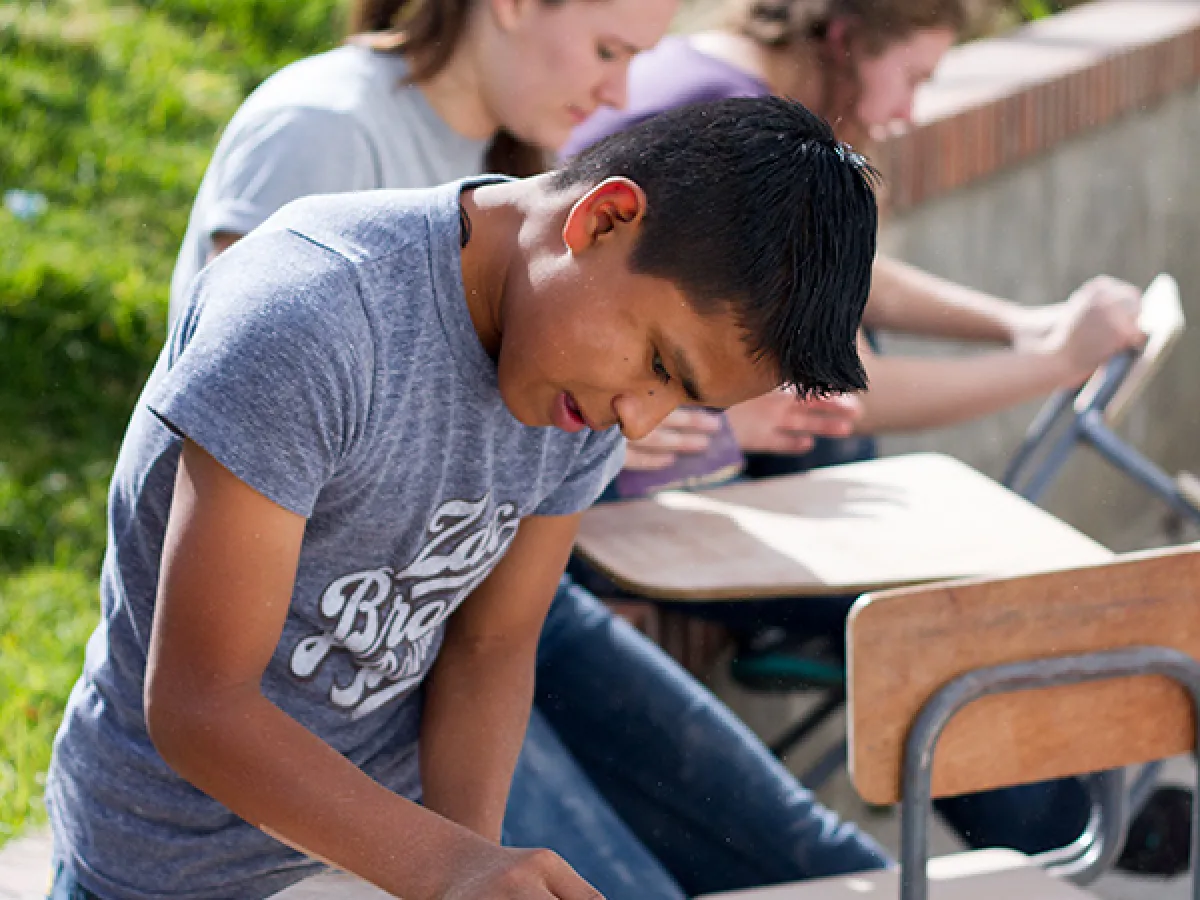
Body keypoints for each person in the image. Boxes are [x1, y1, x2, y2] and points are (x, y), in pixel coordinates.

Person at [45, 98, 882, 900]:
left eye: (684, 401)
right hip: (165, 866)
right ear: (601, 220)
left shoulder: (581, 380)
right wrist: (445, 869)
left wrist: (474, 862)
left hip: (374, 849)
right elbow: (200, 706)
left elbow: (492, 647)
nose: (639, 418)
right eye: (662, 364)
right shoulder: (313, 316)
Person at [559, 0, 1145, 866]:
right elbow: (830, 390)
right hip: (611, 510)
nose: (908, 112)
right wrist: (1051, 361)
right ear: (842, 40)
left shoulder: (725, 86)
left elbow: (848, 276)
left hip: (677, 490)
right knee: (927, 617)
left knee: (932, 598)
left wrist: (1024, 327)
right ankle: (1077, 839)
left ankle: (1082, 831)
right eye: (912, 77)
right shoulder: (717, 111)